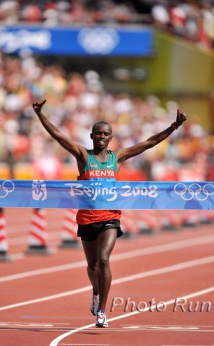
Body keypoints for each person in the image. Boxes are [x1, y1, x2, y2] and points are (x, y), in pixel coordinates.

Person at [32, 99, 187, 328]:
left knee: (104, 260)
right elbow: (58, 136)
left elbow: (149, 143)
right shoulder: (83, 156)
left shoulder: (118, 157)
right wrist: (39, 114)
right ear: (92, 136)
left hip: (110, 217)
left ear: (110, 138)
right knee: (92, 265)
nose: (102, 137)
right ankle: (96, 290)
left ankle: (102, 311)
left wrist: (174, 127)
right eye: (98, 133)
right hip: (86, 218)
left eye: (106, 134)